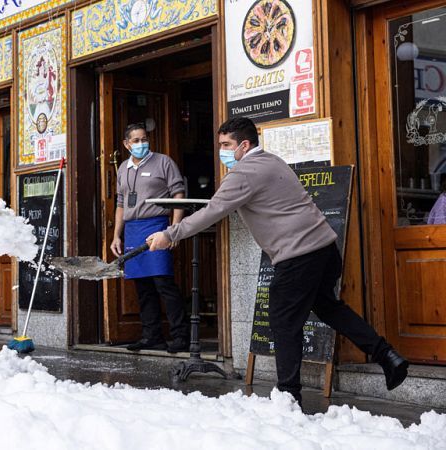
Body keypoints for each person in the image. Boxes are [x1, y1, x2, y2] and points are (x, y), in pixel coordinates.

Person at [146, 117, 408, 403]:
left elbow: (213, 210)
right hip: (324, 247)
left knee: (284, 323)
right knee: (329, 308)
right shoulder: (272, 160)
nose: (221, 151)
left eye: (225, 145)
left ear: (244, 145)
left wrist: (170, 235)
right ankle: (387, 355)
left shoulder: (243, 173)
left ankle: (288, 397)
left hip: (298, 256)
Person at [112, 122, 190, 353]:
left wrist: (174, 229)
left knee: (163, 282)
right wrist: (117, 235)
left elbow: (178, 194)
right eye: (135, 141)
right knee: (143, 286)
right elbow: (120, 204)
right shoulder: (123, 168)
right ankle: (151, 335)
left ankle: (181, 336)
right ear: (126, 144)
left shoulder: (164, 162)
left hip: (156, 224)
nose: (141, 144)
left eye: (144, 139)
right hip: (133, 229)